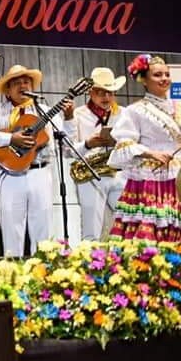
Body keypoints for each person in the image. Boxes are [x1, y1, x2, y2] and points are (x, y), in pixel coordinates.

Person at [0, 64, 75, 257]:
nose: (23, 85)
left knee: (43, 230)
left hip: (40, 172)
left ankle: (43, 269)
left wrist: (69, 119)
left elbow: (67, 144)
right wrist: (10, 138)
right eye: (17, 83)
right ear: (8, 90)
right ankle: (13, 271)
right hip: (9, 175)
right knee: (12, 229)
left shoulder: (45, 110)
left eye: (26, 82)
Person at [108, 55, 181, 243]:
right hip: (154, 179)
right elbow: (124, 142)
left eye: (167, 74)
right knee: (154, 228)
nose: (164, 78)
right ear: (144, 80)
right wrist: (150, 152)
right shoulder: (135, 110)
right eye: (157, 75)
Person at [72, 67, 126, 240]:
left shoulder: (123, 113)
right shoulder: (77, 115)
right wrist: (88, 144)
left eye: (110, 93)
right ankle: (89, 257)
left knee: (126, 224)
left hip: (119, 173)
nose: (106, 97)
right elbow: (68, 150)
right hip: (90, 175)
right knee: (91, 230)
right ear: (91, 92)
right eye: (101, 92)